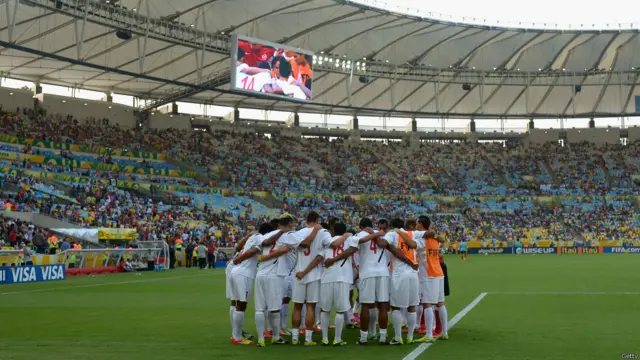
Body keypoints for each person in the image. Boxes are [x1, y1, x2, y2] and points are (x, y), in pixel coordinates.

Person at [252, 214, 296, 347]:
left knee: (259, 308)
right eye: (292, 225)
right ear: (289, 225)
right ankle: (276, 337)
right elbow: (287, 248)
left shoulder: (266, 235)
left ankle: (260, 339)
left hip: (260, 274)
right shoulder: (289, 235)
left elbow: (264, 244)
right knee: (275, 308)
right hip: (275, 275)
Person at [229, 223, 273, 346]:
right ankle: (237, 337)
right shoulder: (259, 237)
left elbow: (242, 247)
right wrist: (241, 258)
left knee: (238, 303)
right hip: (244, 274)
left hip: (237, 272)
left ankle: (235, 335)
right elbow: (255, 250)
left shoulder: (253, 237)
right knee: (241, 305)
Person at [380, 219, 420, 345]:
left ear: (392, 226)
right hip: (413, 273)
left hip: (399, 274)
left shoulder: (392, 234)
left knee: (396, 306)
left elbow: (382, 243)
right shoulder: (411, 234)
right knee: (412, 306)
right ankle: (410, 337)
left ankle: (398, 338)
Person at [410, 216, 449, 343]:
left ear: (421, 224)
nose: (416, 225)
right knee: (440, 303)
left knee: (427, 304)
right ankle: (444, 332)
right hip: (439, 273)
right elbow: (441, 240)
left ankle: (428, 334)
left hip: (428, 274)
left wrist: (400, 233)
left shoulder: (423, 240)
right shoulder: (435, 239)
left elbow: (411, 244)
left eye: (417, 223)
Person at [353, 217, 390, 345]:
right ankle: (383, 337)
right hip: (383, 272)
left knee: (366, 305)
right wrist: (377, 234)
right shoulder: (381, 234)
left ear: (361, 226)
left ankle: (363, 338)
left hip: (368, 273)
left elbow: (360, 240)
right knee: (383, 305)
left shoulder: (362, 234)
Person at [319, 222, 356, 346]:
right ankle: (337, 339)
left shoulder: (326, 241)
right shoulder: (351, 239)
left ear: (333, 230)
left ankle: (324, 338)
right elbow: (353, 249)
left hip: (326, 277)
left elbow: (319, 258)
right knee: (340, 310)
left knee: (325, 310)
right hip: (343, 277)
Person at [226, 231, 257, 343]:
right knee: (240, 302)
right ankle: (237, 334)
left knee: (235, 301)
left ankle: (237, 332)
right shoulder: (259, 238)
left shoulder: (252, 237)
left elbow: (238, 247)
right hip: (239, 268)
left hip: (234, 267)